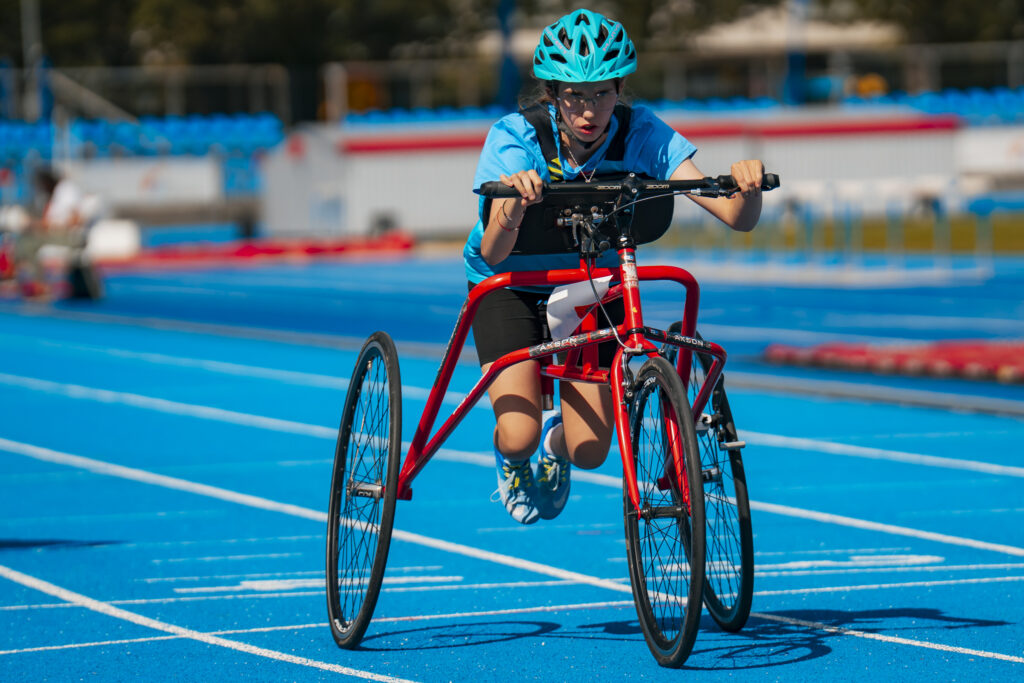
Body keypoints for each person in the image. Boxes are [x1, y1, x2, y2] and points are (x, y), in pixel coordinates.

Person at [465, 9, 765, 525]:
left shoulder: (642, 131)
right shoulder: (516, 136)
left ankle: (558, 445)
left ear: (618, 90)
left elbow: (735, 217)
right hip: (510, 282)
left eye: (602, 93)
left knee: (589, 451)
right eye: (575, 95)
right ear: (552, 93)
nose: (589, 110)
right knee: (519, 432)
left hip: (587, 286)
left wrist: (748, 187)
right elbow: (492, 251)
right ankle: (515, 460)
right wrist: (514, 202)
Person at [14, 166, 101, 299]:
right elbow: (48, 220)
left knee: (28, 243)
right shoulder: (54, 195)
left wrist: (55, 226)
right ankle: (33, 280)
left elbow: (76, 218)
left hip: (69, 236)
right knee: (25, 240)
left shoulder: (66, 190)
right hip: (55, 234)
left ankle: (38, 284)